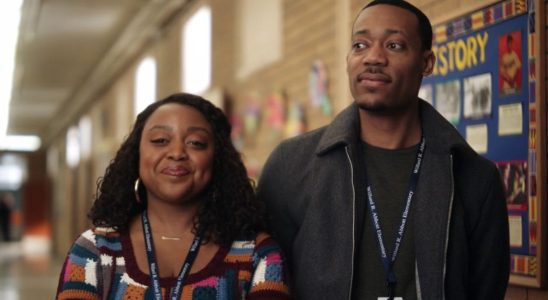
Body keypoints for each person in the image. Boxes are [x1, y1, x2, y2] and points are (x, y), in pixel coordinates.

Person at [257, 1, 509, 299]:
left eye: (394, 45)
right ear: (349, 58)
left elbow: (486, 290)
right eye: (360, 44)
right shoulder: (290, 166)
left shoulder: (474, 177)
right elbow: (266, 281)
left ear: (426, 63)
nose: (373, 57)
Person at [57, 93, 291, 299]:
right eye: (160, 141)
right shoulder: (95, 251)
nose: (177, 153)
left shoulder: (257, 254)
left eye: (196, 143)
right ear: (136, 155)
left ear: (217, 160)